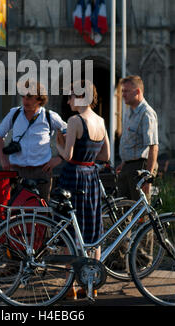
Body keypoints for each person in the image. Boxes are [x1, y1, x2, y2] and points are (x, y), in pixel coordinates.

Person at [56, 81, 110, 298]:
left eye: (70, 96)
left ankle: (70, 286)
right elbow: (105, 156)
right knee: (92, 228)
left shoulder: (74, 121)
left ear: (80, 97)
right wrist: (89, 156)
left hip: (74, 176)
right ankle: (92, 283)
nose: (68, 100)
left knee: (70, 230)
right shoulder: (100, 121)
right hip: (92, 177)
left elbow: (67, 155)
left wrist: (57, 143)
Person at [0, 81, 67, 201]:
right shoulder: (15, 113)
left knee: (41, 211)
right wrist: (3, 159)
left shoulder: (50, 116)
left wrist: (60, 158)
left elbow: (69, 133)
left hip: (41, 171)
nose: (25, 101)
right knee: (16, 212)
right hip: (17, 171)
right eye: (23, 96)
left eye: (29, 97)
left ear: (39, 99)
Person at [116, 75, 159, 202]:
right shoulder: (129, 111)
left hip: (140, 167)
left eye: (126, 91)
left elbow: (153, 147)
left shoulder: (146, 113)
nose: (123, 94)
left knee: (140, 211)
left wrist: (148, 177)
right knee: (122, 208)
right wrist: (124, 163)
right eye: (122, 91)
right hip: (128, 166)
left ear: (137, 91)